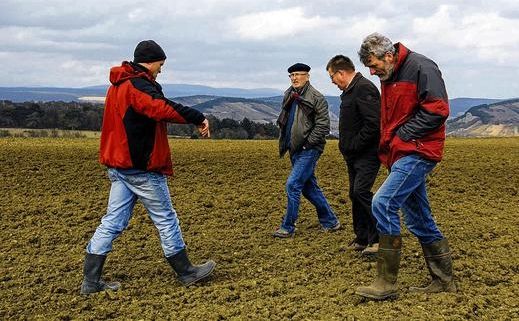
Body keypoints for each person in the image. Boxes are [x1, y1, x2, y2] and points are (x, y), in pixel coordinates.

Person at [80, 40, 216, 295]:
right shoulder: (136, 86)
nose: (161, 70)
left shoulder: (118, 85)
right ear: (151, 62)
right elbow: (160, 108)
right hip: (141, 167)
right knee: (166, 218)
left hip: (120, 166)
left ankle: (90, 281)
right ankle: (186, 272)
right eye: (161, 65)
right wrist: (198, 117)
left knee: (112, 221)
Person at [354, 33, 456, 300]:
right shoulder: (390, 75)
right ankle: (444, 281)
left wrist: (403, 135)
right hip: (400, 153)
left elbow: (438, 110)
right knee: (418, 218)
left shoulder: (422, 67)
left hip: (418, 151)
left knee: (382, 203)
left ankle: (385, 283)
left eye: (373, 65)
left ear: (388, 56)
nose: (372, 72)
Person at [273, 63, 340, 238]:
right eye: (291, 75)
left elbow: (323, 125)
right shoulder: (289, 94)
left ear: (307, 76)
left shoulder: (316, 97)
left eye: (298, 74)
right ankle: (331, 221)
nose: (294, 78)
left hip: (308, 149)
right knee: (309, 188)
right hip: (294, 148)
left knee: (293, 184)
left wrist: (307, 144)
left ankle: (288, 226)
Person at [326, 55, 381, 256]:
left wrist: (356, 144)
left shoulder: (364, 88)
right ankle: (362, 237)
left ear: (341, 72)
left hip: (367, 153)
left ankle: (378, 239)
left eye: (332, 77)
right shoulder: (350, 91)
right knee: (354, 194)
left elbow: (374, 124)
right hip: (353, 155)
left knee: (361, 192)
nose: (332, 82)